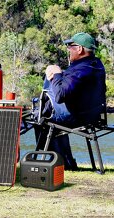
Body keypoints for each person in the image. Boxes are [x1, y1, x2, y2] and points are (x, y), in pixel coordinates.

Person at [35, 32, 106, 170]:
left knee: (40, 118)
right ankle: (66, 163)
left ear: (79, 49)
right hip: (92, 114)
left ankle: (59, 164)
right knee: (45, 115)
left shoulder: (82, 69)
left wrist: (56, 73)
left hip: (77, 116)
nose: (68, 49)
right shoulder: (96, 64)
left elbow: (61, 95)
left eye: (70, 46)